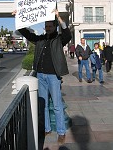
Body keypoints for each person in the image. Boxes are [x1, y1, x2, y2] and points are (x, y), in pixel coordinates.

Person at [12, 9, 72, 144]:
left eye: (50, 26)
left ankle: (61, 132)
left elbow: (68, 34)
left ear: (54, 27)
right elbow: (26, 33)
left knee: (57, 105)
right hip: (40, 75)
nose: (48, 28)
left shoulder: (59, 39)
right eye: (46, 26)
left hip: (53, 77)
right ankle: (46, 128)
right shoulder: (40, 39)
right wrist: (18, 17)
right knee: (42, 105)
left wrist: (58, 17)